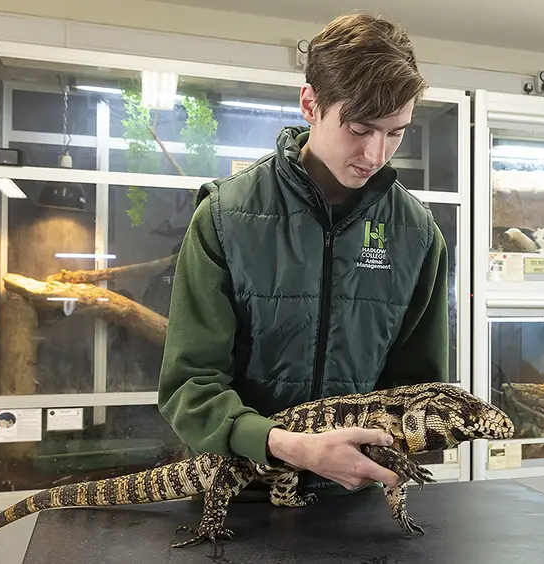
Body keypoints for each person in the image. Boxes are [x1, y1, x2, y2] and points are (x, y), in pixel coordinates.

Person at [157, 11, 450, 499]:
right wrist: (288, 446)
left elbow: (419, 392)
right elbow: (191, 385)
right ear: (310, 103)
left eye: (396, 132)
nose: (377, 154)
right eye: (359, 128)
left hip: (358, 495)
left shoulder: (417, 234)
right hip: (234, 491)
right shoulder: (225, 217)